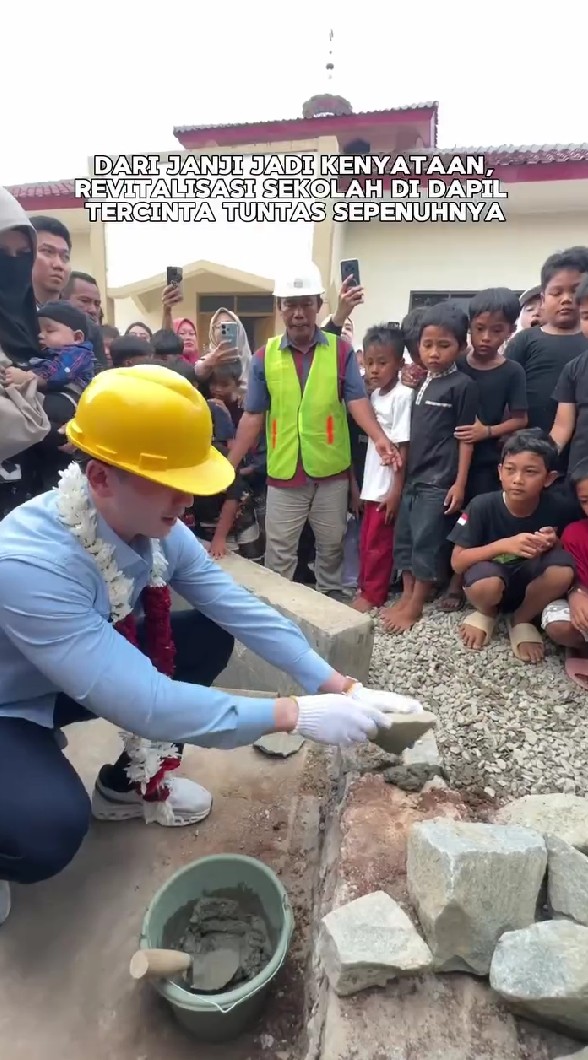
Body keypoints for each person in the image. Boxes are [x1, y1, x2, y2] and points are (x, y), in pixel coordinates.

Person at [0, 363, 425, 924]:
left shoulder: (155, 525)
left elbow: (238, 607)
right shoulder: (31, 565)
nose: (185, 500)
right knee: (47, 829)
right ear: (100, 478)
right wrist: (295, 714)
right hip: (10, 697)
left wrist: (341, 685)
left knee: (202, 637)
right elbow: (147, 703)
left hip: (63, 673)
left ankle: (126, 785)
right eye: (168, 480)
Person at [227, 265, 397, 601]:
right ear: (280, 309)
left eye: (305, 303)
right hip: (284, 472)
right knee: (280, 554)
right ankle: (279, 615)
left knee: (331, 547)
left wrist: (379, 438)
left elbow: (356, 400)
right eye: (290, 304)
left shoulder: (340, 350)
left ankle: (331, 609)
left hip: (330, 473)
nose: (298, 313)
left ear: (319, 305)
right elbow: (252, 416)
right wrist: (228, 463)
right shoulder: (264, 357)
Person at [382, 302, 478, 634]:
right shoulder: (420, 380)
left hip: (439, 479)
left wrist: (460, 483)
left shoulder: (462, 386)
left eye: (443, 345)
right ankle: (407, 596)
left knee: (426, 541)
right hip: (413, 475)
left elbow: (466, 438)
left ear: (461, 347)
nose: (434, 353)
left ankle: (417, 605)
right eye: (427, 345)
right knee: (405, 539)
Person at [449, 430, 575, 662]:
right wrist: (504, 545)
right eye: (510, 469)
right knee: (486, 584)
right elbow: (457, 562)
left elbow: (571, 549)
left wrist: (553, 542)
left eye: (530, 472)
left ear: (549, 478)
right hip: (490, 580)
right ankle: (486, 613)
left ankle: (521, 620)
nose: (518, 479)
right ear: (500, 472)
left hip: (531, 585)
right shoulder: (481, 506)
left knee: (564, 569)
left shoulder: (560, 507)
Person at [352, 324, 412, 613]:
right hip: (372, 483)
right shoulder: (376, 395)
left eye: (382, 363)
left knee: (379, 544)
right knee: (367, 539)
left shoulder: (402, 396)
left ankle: (374, 594)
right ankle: (365, 585)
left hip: (386, 486)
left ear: (400, 364)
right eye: (370, 363)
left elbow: (403, 447)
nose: (374, 370)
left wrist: (395, 492)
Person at [506, 248, 588, 436]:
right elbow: (506, 390)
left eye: (575, 291)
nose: (566, 299)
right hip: (531, 447)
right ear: (543, 299)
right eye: (557, 292)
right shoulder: (525, 340)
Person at [456, 287, 528, 500]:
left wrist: (486, 431)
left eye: (496, 331)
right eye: (479, 328)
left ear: (510, 330)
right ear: (470, 327)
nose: (485, 337)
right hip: (448, 459)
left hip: (485, 464)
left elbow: (520, 419)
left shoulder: (513, 371)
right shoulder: (455, 364)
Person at [542, 460, 588, 686]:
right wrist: (576, 593)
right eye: (586, 501)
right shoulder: (575, 533)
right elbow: (574, 574)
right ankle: (580, 646)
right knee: (559, 624)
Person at [4, 302, 93, 400]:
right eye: (39, 331)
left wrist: (27, 378)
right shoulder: (46, 354)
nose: (40, 335)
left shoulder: (79, 354)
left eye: (50, 330)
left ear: (77, 337)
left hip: (73, 397)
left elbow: (60, 373)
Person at [550, 275, 588, 476]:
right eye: (586, 317)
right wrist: (538, 458)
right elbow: (562, 428)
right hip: (581, 473)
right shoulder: (573, 369)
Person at [208, 308, 252, 381]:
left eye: (229, 325)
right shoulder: (205, 363)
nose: (223, 329)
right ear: (212, 332)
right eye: (219, 325)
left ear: (239, 329)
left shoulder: (253, 363)